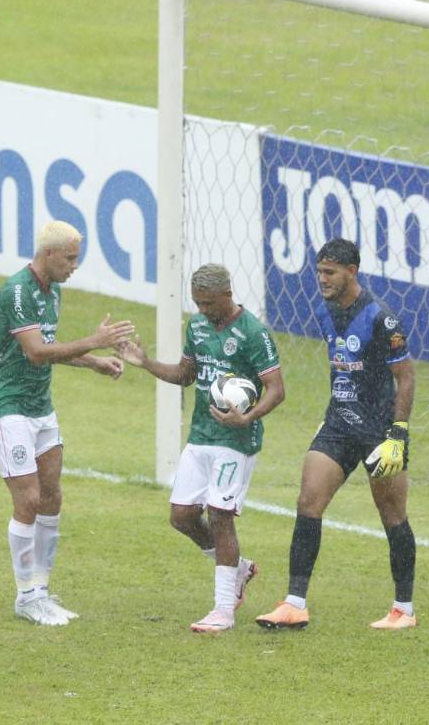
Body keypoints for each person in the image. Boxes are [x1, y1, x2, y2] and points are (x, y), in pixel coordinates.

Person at [255, 237, 418, 631]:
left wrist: (398, 433)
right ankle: (294, 603)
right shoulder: (326, 311)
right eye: (319, 272)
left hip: (380, 431)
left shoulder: (382, 318)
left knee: (392, 515)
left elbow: (406, 377)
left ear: (352, 272)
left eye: (329, 273)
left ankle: (403, 610)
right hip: (339, 423)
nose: (322, 280)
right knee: (308, 501)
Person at [0, 220, 135, 626]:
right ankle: (25, 597)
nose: (74, 266)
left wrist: (94, 363)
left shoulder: (54, 293)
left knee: (52, 496)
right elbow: (34, 352)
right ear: (48, 255)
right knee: (28, 499)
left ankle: (42, 590)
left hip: (40, 407)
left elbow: (52, 348)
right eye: (69, 258)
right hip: (6, 406)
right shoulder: (17, 291)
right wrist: (94, 342)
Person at [117, 263, 285, 633]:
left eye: (208, 303)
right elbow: (185, 375)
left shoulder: (253, 333)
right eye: (198, 303)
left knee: (221, 515)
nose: (203, 310)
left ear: (227, 294)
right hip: (201, 435)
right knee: (181, 516)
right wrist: (145, 362)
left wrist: (249, 417)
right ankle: (238, 569)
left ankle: (223, 611)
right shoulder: (197, 326)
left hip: (237, 440)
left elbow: (276, 389)